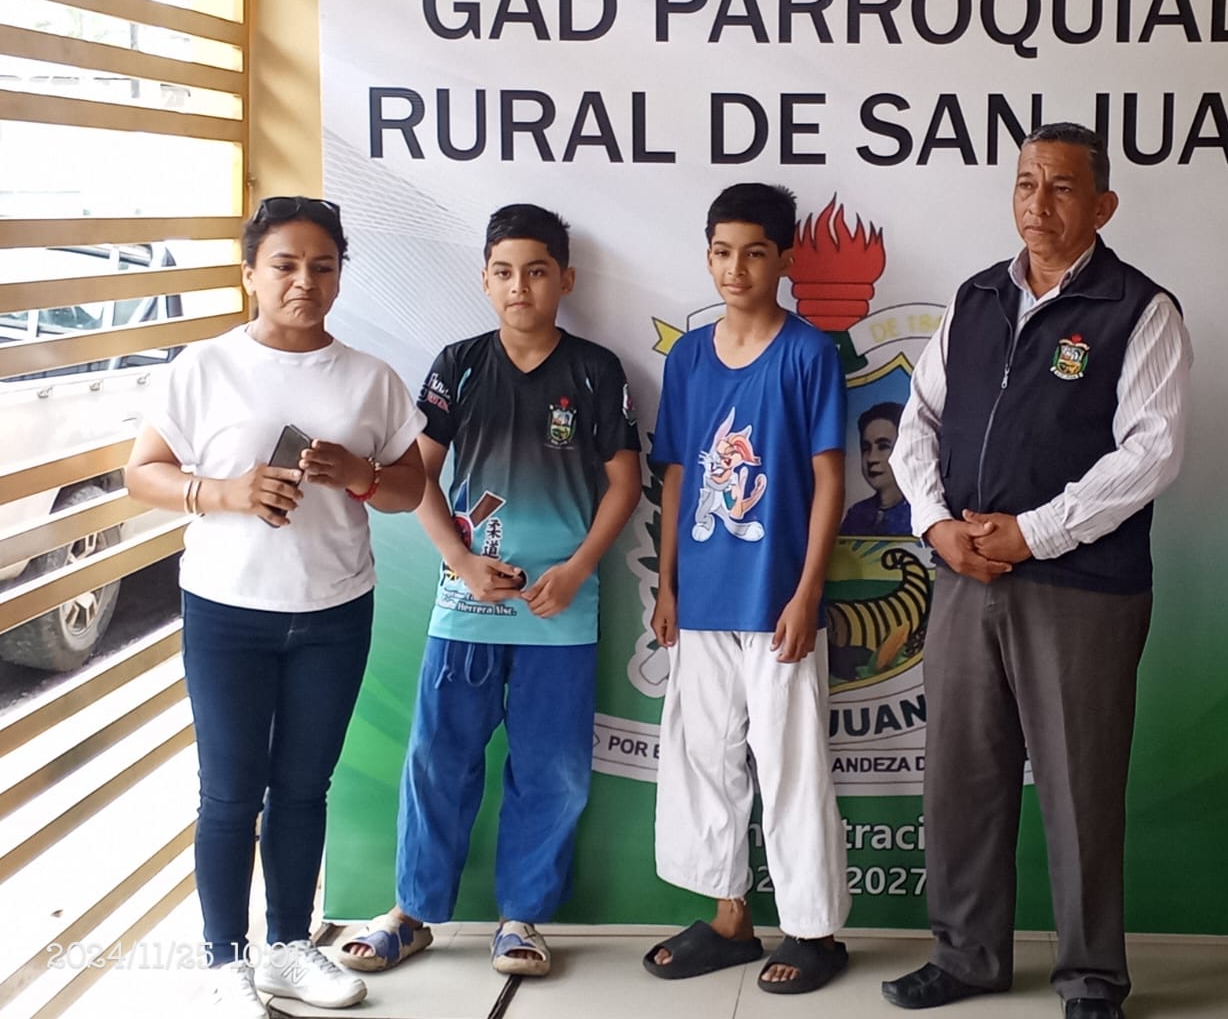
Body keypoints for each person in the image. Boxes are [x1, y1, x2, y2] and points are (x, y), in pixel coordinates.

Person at [881, 122, 1190, 1018]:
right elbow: (917, 422)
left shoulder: (1139, 309)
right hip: (963, 577)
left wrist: (1035, 534)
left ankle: (1091, 978)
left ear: (1103, 205)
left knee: (1079, 787)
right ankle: (967, 956)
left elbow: (1152, 453)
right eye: (1025, 183)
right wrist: (936, 525)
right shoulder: (977, 297)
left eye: (1061, 187)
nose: (1038, 203)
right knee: (962, 779)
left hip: (1079, 590)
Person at [125, 197, 427, 1018]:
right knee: (229, 791)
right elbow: (142, 472)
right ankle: (226, 960)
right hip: (228, 610)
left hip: (334, 611)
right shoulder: (204, 367)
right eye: (285, 265)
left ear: (340, 277)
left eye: (322, 266)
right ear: (250, 273)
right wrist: (223, 492)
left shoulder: (370, 377)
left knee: (302, 786)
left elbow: (409, 489)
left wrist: (359, 474)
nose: (304, 282)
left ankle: (291, 946)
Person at [335, 205, 642, 978]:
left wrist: (577, 569)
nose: (520, 287)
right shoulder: (460, 364)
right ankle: (411, 912)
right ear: (483, 279)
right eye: (503, 272)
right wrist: (460, 560)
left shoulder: (595, 370)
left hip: (558, 611)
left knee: (553, 771)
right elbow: (417, 475)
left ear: (566, 279)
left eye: (537, 271)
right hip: (467, 606)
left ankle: (521, 919)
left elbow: (625, 483)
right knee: (438, 760)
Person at [643, 182, 851, 995]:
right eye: (723, 252)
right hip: (701, 599)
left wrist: (806, 593)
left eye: (755, 253)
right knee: (704, 761)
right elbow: (674, 476)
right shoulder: (688, 358)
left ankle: (814, 930)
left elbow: (828, 480)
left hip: (776, 603)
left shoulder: (808, 354)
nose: (736, 269)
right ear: (707, 257)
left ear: (785, 260)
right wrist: (667, 584)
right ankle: (731, 918)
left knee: (790, 766)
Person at [840, 401, 911, 536]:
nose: (872, 459)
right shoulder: (857, 514)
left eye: (883, 447)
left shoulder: (918, 514)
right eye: (866, 448)